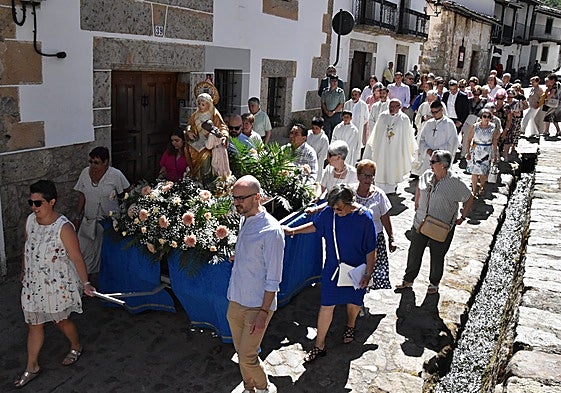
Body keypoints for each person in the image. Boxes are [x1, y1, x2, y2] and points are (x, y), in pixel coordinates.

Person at [14, 180, 96, 388]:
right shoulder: (30, 221)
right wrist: (24, 271)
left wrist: (86, 283)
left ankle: (76, 346)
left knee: (61, 321)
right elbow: (27, 246)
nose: (34, 208)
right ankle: (31, 366)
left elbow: (77, 257)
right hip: (33, 284)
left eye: (38, 203)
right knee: (34, 325)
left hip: (55, 285)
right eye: (31, 203)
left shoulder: (64, 227)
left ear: (51, 202)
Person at [285, 185, 377, 362]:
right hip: (333, 269)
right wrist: (293, 231)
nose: (336, 211)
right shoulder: (329, 212)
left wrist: (368, 273)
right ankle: (319, 344)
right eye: (333, 208)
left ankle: (350, 325)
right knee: (327, 305)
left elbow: (371, 249)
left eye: (340, 208)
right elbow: (316, 225)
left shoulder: (365, 218)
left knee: (354, 301)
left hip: (357, 270)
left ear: (351, 203)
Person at [227, 175, 284, 393]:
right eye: (235, 198)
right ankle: (249, 387)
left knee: (248, 356)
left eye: (241, 198)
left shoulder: (271, 231)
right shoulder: (245, 219)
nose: (237, 202)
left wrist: (263, 311)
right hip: (236, 299)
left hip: (257, 305)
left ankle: (263, 388)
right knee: (241, 353)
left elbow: (274, 277)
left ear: (257, 197)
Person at [395, 150, 474, 294]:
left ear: (443, 165)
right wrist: (417, 202)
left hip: (441, 227)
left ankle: (434, 283)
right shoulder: (426, 175)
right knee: (414, 252)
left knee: (437, 256)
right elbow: (420, 186)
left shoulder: (455, 183)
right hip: (420, 223)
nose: (430, 164)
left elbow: (469, 197)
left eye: (433, 162)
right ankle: (408, 280)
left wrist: (462, 217)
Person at [74, 146, 130, 274]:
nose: (93, 165)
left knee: (106, 253)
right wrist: (77, 216)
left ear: (105, 162)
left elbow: (127, 192)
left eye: (96, 162)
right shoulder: (85, 173)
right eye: (91, 162)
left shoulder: (115, 175)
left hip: (109, 222)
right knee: (84, 250)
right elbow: (82, 195)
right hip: (89, 220)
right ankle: (84, 278)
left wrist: (124, 212)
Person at [354, 160, 396, 289]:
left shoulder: (379, 195)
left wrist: (391, 238)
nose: (368, 179)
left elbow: (385, 217)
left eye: (371, 176)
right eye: (365, 175)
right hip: (355, 239)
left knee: (370, 271)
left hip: (374, 239)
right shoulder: (350, 193)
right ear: (358, 175)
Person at [363, 99, 416, 195]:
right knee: (381, 166)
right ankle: (379, 186)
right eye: (390, 106)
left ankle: (392, 187)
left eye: (394, 106)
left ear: (399, 107)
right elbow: (376, 132)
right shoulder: (383, 116)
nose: (391, 108)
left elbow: (407, 137)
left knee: (393, 167)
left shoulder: (404, 119)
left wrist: (405, 150)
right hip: (382, 148)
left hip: (396, 149)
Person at [185, 93, 230, 181]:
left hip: (211, 142)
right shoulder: (195, 115)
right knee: (190, 150)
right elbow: (189, 125)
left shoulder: (214, 113)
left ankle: (206, 179)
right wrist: (189, 131)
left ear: (208, 104)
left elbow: (222, 127)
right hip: (197, 140)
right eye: (199, 104)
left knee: (205, 155)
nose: (200, 106)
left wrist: (224, 136)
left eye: (203, 104)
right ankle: (196, 176)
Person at [413, 101, 458, 178]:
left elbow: (453, 142)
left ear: (442, 110)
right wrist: (427, 150)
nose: (434, 114)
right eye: (432, 112)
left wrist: (439, 151)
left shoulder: (449, 124)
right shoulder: (428, 123)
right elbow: (422, 139)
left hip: (441, 159)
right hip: (428, 157)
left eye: (436, 112)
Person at [465, 109, 500, 197]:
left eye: (489, 117)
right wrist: (467, 152)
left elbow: (495, 142)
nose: (486, 118)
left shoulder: (493, 127)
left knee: (484, 172)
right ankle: (474, 190)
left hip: (487, 151)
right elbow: (469, 140)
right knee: (474, 172)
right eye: (484, 116)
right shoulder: (475, 126)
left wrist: (495, 154)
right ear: (481, 117)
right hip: (476, 151)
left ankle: (482, 186)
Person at [321, 75, 346, 139]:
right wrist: (326, 111)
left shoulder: (340, 92)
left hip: (336, 115)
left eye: (336, 81)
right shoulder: (325, 91)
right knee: (326, 132)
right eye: (333, 81)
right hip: (327, 114)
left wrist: (334, 112)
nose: (334, 82)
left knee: (335, 132)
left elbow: (341, 104)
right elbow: (323, 103)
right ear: (330, 82)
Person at [307, 116, 330, 182]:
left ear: (321, 127)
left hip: (317, 163)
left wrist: (314, 162)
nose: (314, 130)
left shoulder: (324, 139)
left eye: (316, 128)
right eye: (313, 128)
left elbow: (323, 154)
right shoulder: (308, 134)